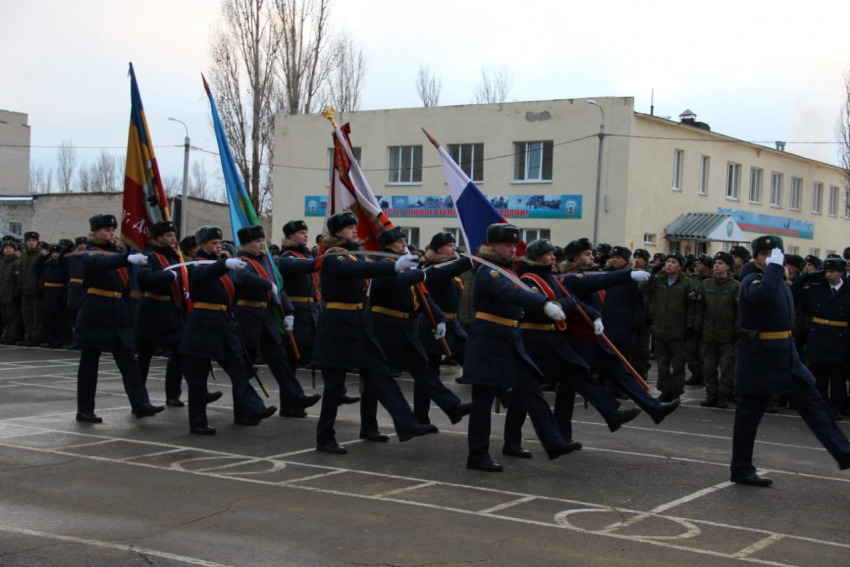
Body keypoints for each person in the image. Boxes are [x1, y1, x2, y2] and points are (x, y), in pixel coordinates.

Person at [312, 211, 437, 454]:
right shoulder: (333, 256)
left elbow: (363, 269)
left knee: (379, 372)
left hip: (357, 321)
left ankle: (404, 424)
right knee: (334, 385)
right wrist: (393, 268)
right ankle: (324, 437)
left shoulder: (353, 255)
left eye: (355, 226)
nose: (355, 230)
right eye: (350, 227)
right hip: (337, 325)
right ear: (337, 232)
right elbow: (355, 271)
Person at [731, 235, 850, 486]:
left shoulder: (779, 280)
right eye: (763, 254)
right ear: (755, 257)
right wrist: (774, 267)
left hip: (785, 354)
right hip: (759, 357)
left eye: (773, 253)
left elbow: (793, 292)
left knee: (813, 400)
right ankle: (741, 468)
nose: (768, 258)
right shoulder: (751, 279)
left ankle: (843, 451)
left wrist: (802, 274)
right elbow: (764, 296)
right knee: (749, 414)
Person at [463, 224, 579, 472]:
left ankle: (552, 441)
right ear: (492, 246)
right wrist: (545, 304)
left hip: (510, 339)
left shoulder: (508, 270)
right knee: (483, 400)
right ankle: (477, 454)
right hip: (488, 341)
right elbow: (510, 294)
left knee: (530, 387)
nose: (513, 250)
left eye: (515, 245)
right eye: (507, 245)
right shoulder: (489, 271)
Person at [513, 239, 641, 452]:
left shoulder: (549, 277)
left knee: (575, 371)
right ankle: (516, 441)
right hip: (533, 341)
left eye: (554, 254)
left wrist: (594, 315)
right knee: (525, 393)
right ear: (537, 257)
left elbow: (573, 301)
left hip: (552, 340)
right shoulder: (529, 278)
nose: (554, 257)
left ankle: (609, 413)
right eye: (548, 254)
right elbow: (535, 304)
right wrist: (556, 304)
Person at [369, 227, 471, 433]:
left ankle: (451, 407)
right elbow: (400, 283)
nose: (404, 245)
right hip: (385, 325)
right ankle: (374, 425)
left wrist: (440, 319)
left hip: (404, 327)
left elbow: (423, 296)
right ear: (388, 247)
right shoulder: (383, 266)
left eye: (404, 241)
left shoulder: (406, 268)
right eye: (399, 242)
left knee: (422, 369)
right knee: (377, 377)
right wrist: (425, 273)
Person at [180, 226, 278, 435]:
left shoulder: (218, 264)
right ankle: (197, 422)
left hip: (224, 323)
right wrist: (225, 263)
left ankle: (252, 407)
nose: (217, 247)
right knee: (198, 378)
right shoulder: (196, 264)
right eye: (213, 244)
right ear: (202, 245)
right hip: (202, 325)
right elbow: (205, 275)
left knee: (239, 368)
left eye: (219, 243)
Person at [74, 214, 164, 423]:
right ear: (95, 233)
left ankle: (140, 403)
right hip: (95, 311)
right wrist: (126, 258)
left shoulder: (117, 252)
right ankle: (84, 409)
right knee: (89, 363)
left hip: (116, 310)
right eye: (106, 230)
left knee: (128, 360)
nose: (111, 233)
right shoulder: (89, 252)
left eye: (113, 230)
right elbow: (99, 262)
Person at [233, 224, 321, 418]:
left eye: (262, 240)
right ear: (247, 243)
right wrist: (267, 284)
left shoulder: (265, 261)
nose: (261, 244)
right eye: (257, 241)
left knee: (280, 359)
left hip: (266, 317)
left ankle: (295, 396)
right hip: (247, 316)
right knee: (245, 367)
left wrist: (288, 311)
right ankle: (244, 410)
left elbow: (278, 286)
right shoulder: (240, 260)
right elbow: (242, 278)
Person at [135, 220, 222, 408]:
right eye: (168, 236)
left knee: (181, 352)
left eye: (174, 236)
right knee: (144, 357)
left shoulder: (177, 257)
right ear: (158, 238)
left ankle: (178, 394)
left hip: (172, 310)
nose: (173, 239)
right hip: (151, 309)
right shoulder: (150, 256)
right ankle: (139, 400)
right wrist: (168, 276)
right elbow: (143, 279)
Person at [791, 256, 849, 420]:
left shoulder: (847, 290)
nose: (828, 275)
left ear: (841, 273)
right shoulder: (817, 287)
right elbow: (794, 290)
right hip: (819, 336)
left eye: (832, 271)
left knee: (838, 377)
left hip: (840, 338)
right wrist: (810, 275)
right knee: (819, 376)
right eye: (827, 271)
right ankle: (820, 406)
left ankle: (836, 408)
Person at [642, 251, 699, 401]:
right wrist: (652, 272)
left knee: (678, 365)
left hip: (679, 331)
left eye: (673, 262)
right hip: (660, 330)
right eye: (667, 262)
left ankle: (676, 392)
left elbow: (692, 308)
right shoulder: (659, 280)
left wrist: (689, 327)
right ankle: (664, 390)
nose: (669, 264)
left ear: (680, 266)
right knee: (662, 365)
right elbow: (642, 288)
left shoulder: (687, 283)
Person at [697, 252, 740, 408]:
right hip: (708, 333)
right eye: (715, 263)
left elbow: (738, 312)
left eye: (721, 263)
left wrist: (737, 331)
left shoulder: (735, 286)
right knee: (709, 368)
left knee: (727, 369)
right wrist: (697, 328)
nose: (717, 265)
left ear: (728, 267)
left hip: (727, 335)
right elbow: (699, 309)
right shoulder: (706, 285)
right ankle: (711, 394)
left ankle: (723, 396)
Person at [17, 231, 45, 346]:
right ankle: (28, 336)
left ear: (37, 242)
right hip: (24, 290)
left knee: (37, 316)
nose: (31, 243)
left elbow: (42, 274)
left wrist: (40, 287)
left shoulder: (41, 256)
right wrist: (19, 287)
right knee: (27, 316)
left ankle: (36, 337)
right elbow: (20, 273)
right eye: (29, 241)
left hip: (36, 291)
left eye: (33, 241)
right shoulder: (23, 256)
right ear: (25, 242)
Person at [38, 244, 68, 349]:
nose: (55, 255)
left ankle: (59, 341)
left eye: (57, 253)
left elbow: (66, 280)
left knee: (59, 320)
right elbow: (36, 267)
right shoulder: (47, 264)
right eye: (53, 253)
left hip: (58, 293)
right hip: (49, 294)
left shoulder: (63, 265)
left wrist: (64, 295)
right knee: (50, 319)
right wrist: (44, 256)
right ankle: (51, 340)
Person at [0, 240, 23, 345]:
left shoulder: (17, 263)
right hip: (2, 294)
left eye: (10, 248)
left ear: (14, 250)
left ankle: (13, 335)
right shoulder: (2, 263)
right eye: (6, 248)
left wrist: (16, 293)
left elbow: (18, 280)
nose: (8, 250)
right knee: (5, 316)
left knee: (13, 317)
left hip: (12, 295)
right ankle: (6, 334)